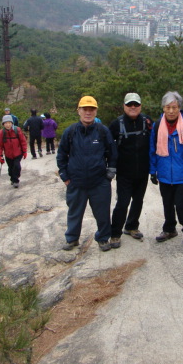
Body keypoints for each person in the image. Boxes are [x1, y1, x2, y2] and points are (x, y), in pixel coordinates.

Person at [57, 96, 118, 252]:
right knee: (74, 213)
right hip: (76, 182)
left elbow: (112, 154)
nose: (88, 112)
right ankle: (72, 238)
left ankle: (103, 238)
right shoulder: (70, 131)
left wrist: (109, 174)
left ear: (96, 111)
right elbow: (61, 155)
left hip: (99, 182)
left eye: (92, 109)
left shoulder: (103, 131)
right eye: (85, 109)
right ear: (79, 111)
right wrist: (65, 176)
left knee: (102, 213)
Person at [149, 91, 183, 246]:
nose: (171, 111)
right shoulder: (157, 127)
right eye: (168, 107)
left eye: (174, 107)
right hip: (164, 173)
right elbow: (152, 150)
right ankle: (169, 229)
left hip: (182, 174)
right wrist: (152, 171)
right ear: (163, 108)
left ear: (179, 108)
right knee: (167, 204)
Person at [108, 92, 153, 248]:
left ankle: (132, 226)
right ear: (124, 106)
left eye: (136, 104)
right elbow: (108, 147)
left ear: (140, 106)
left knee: (138, 201)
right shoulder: (116, 124)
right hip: (124, 173)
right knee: (122, 203)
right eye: (129, 104)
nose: (133, 107)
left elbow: (155, 142)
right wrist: (110, 166)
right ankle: (115, 233)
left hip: (143, 171)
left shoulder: (147, 121)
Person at [0, 114, 28, 188]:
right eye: (6, 123)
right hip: (8, 154)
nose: (8, 125)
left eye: (9, 123)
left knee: (17, 167)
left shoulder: (17, 130)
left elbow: (23, 141)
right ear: (3, 124)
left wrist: (24, 151)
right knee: (11, 168)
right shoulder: (1, 133)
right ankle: (12, 178)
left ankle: (16, 180)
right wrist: (0, 155)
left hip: (18, 153)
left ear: (12, 123)